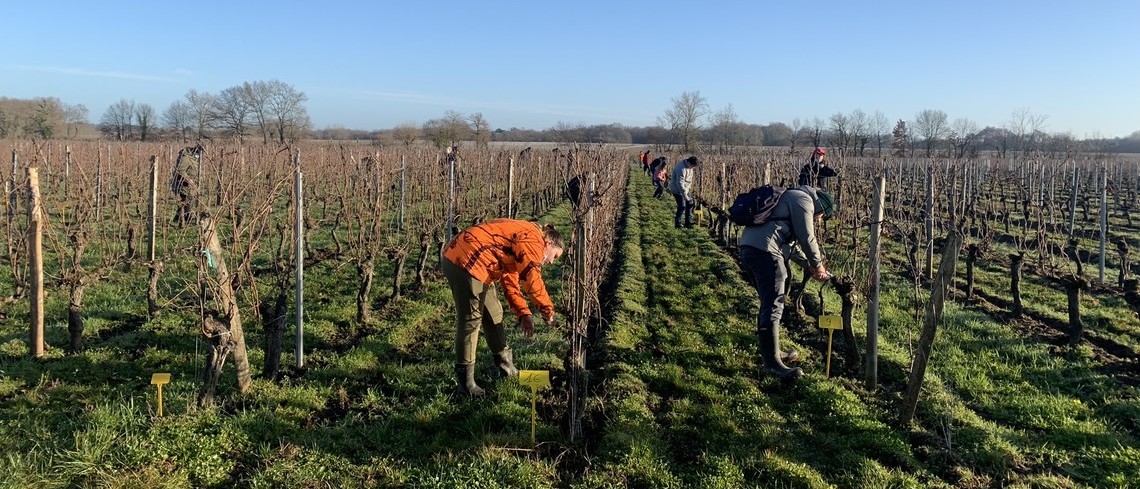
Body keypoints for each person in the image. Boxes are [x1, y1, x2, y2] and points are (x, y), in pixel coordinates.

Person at [442, 219, 565, 396]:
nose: (552, 262)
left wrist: (524, 314)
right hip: (465, 260)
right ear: (549, 242)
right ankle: (466, 385)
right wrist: (547, 310)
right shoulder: (533, 240)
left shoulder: (526, 242)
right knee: (471, 320)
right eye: (555, 256)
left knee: (494, 313)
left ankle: (507, 370)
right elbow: (531, 278)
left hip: (481, 264)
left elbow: (511, 282)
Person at [738, 185, 836, 381]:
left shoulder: (789, 198)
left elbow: (789, 246)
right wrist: (817, 265)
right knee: (773, 304)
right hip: (765, 252)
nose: (818, 220)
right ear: (822, 208)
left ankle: (772, 354)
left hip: (750, 247)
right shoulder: (803, 200)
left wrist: (810, 265)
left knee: (769, 304)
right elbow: (807, 237)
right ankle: (772, 365)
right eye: (822, 217)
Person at [669, 156, 699, 228]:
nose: (693, 168)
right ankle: (678, 223)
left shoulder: (689, 166)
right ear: (689, 162)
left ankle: (687, 222)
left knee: (690, 204)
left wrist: (689, 189)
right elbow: (680, 183)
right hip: (677, 189)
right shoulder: (681, 169)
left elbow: (689, 179)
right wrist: (685, 195)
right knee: (682, 206)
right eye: (692, 166)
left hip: (686, 188)